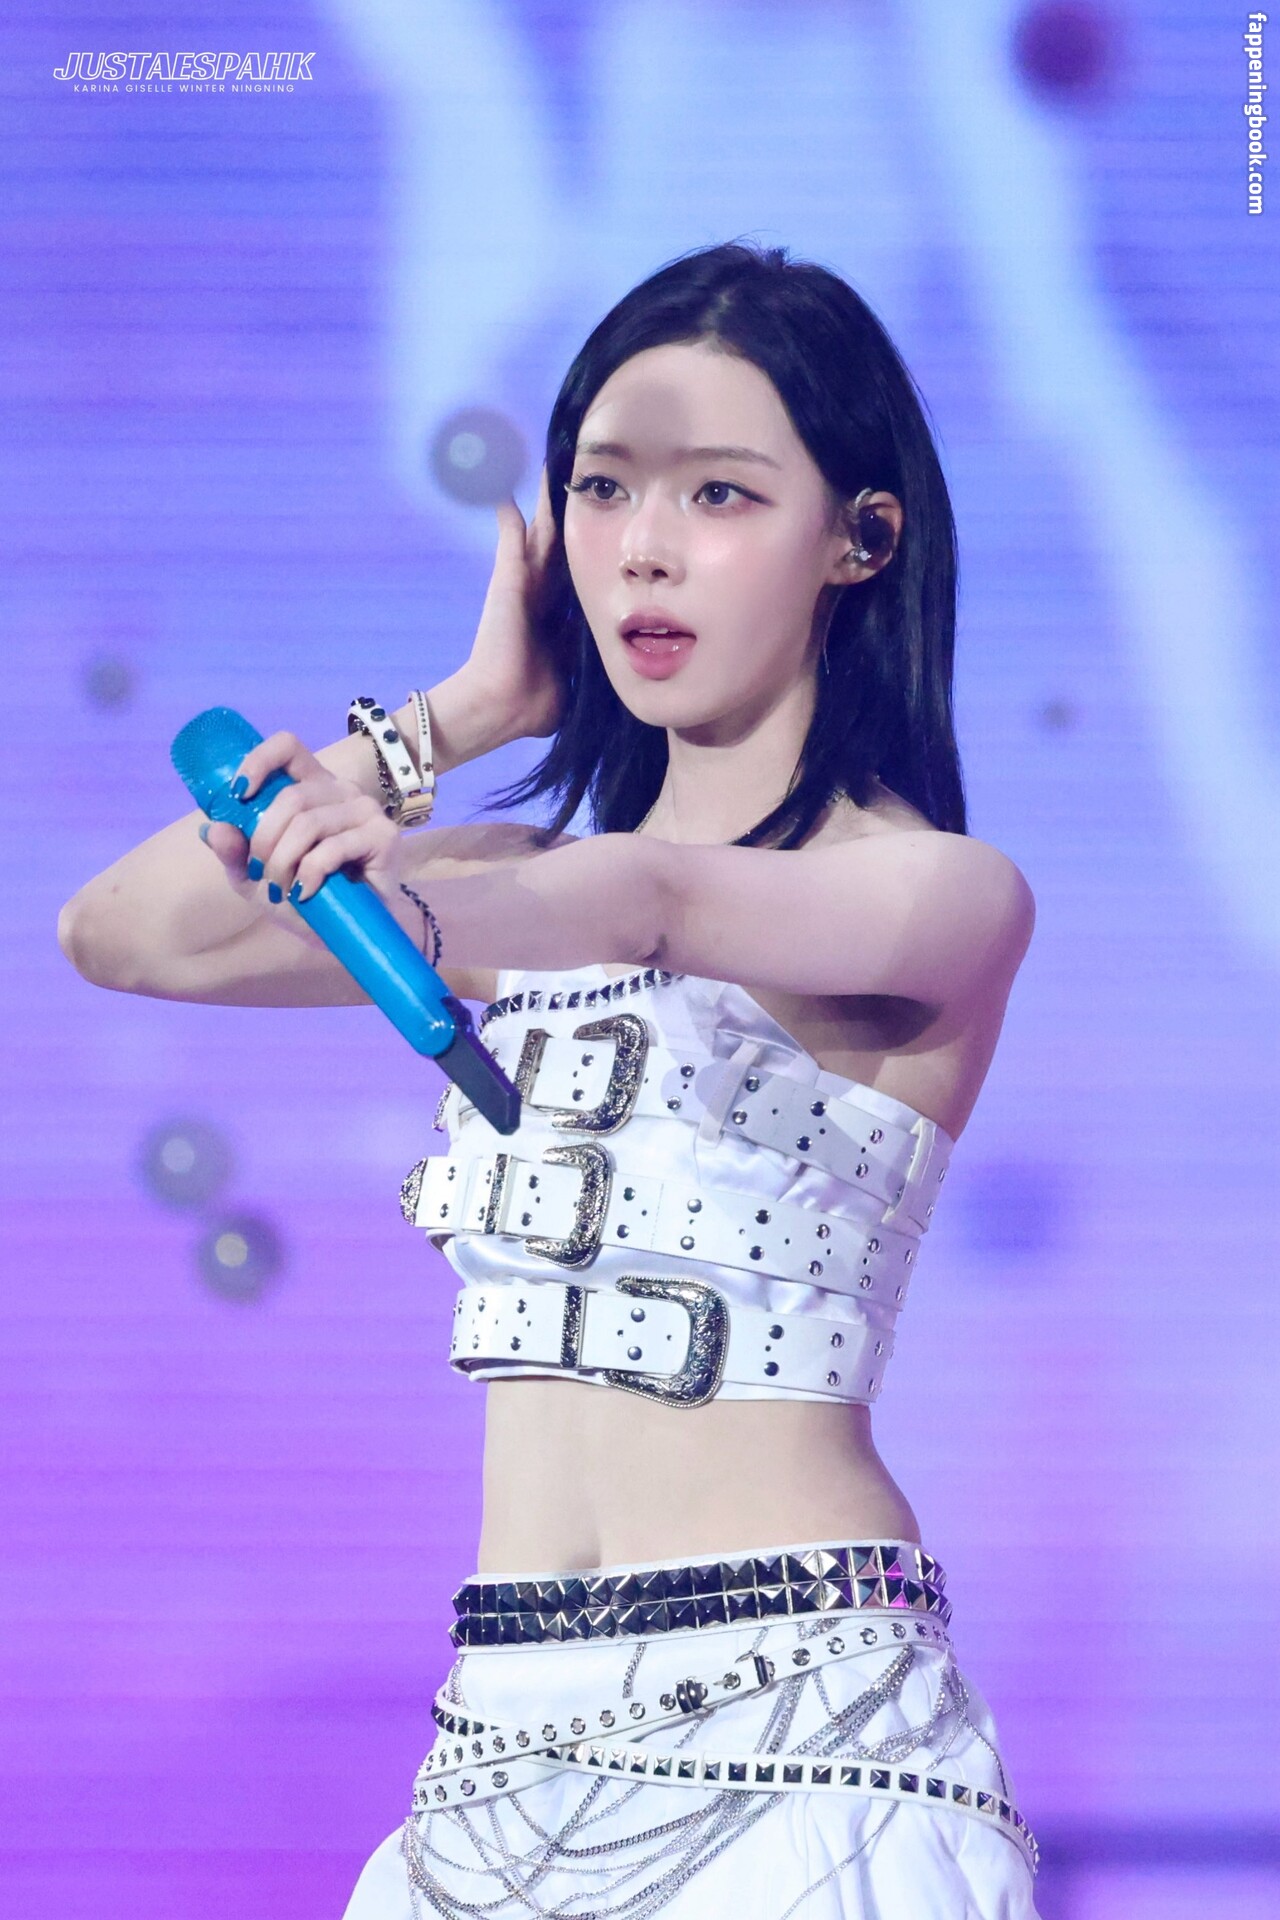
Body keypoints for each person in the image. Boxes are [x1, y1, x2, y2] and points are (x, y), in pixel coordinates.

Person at [59, 241, 1041, 1919]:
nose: (643, 546)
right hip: (493, 1760)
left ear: (861, 537)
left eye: (719, 493)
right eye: (601, 487)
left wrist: (420, 908)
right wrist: (450, 721)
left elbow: (655, 899)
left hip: (806, 1737)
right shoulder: (516, 873)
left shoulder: (940, 890)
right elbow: (124, 933)